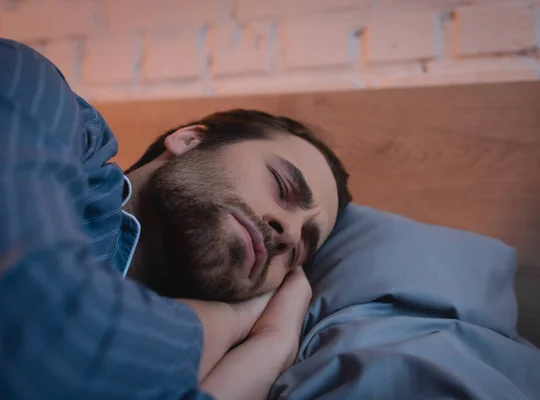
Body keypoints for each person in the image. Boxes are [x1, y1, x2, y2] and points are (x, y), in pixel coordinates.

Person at [0, 38, 351, 400]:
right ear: (189, 140)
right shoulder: (29, 89)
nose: (290, 234)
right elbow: (50, 336)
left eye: (298, 253)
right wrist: (235, 320)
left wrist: (273, 342)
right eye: (281, 184)